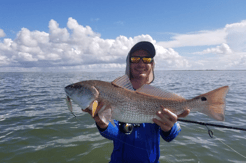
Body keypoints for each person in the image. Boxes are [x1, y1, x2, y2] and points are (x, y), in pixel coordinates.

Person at [83, 41, 190, 163]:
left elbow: (171, 136)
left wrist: (169, 128)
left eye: (147, 59)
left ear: (152, 64)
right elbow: (114, 134)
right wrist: (103, 124)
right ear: (128, 64)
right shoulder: (115, 94)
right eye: (135, 59)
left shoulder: (160, 98)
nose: (141, 63)